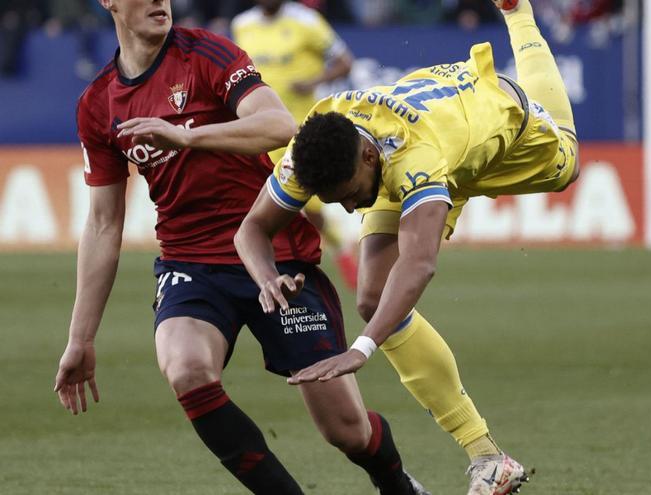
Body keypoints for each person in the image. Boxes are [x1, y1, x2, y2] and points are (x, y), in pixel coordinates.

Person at [51, 1, 427, 494]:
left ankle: (397, 483)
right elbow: (103, 223)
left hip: (273, 254)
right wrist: (80, 338)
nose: (160, 1)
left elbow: (277, 125)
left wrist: (187, 137)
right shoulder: (98, 103)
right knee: (185, 369)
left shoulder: (206, 54)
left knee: (347, 431)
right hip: (189, 263)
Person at [235, 0, 577, 493]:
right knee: (373, 298)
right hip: (425, 143)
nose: (351, 210)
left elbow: (418, 265)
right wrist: (266, 278)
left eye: (351, 197)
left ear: (369, 157)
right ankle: (488, 457)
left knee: (569, 165)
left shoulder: (414, 156)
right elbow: (250, 230)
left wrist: (362, 348)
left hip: (502, 127)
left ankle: (516, 11)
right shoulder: (314, 147)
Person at [232, 0, 359, 290]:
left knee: (311, 206)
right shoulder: (242, 25)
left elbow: (344, 61)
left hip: (302, 131)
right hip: (262, 130)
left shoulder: (307, 21)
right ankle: (265, 270)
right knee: (260, 207)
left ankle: (340, 249)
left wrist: (313, 80)